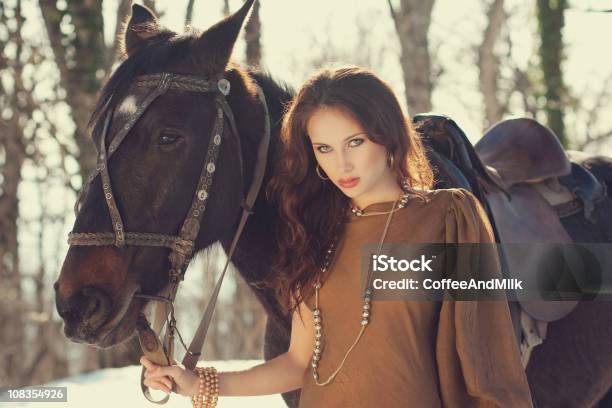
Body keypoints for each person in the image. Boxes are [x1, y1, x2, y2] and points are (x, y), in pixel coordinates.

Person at [141, 66, 533, 407]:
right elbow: (299, 363)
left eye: (355, 142)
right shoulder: (313, 232)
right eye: (324, 148)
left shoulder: (447, 217)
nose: (341, 164)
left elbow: (490, 359)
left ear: (388, 134)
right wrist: (199, 383)